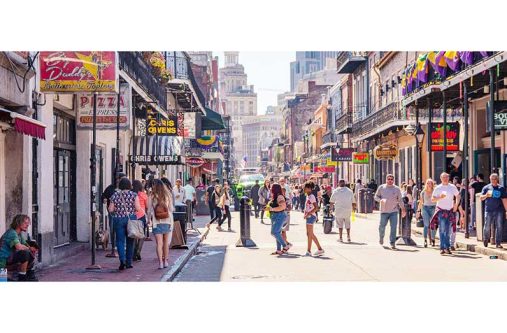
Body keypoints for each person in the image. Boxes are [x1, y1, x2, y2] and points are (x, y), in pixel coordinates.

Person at [108, 178, 141, 270]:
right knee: (130, 241)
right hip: (131, 219)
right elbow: (138, 208)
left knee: (120, 241)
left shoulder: (115, 195)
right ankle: (129, 262)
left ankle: (122, 260)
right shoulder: (134, 195)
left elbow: (110, 209)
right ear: (129, 185)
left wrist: (117, 210)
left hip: (119, 219)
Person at [0, 215, 38, 281]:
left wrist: (32, 248)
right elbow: (19, 247)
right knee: (25, 254)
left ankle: (29, 276)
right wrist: (29, 249)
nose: (27, 225)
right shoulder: (12, 233)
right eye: (25, 223)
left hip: (10, 258)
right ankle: (22, 278)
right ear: (18, 223)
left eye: (28, 223)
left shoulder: (19, 234)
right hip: (3, 261)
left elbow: (25, 244)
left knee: (29, 254)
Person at [431, 172, 460, 255]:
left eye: (447, 177)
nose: (445, 179)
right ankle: (442, 247)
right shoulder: (438, 188)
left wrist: (456, 205)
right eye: (444, 177)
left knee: (448, 231)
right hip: (441, 211)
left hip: (450, 211)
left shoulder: (452, 187)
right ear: (441, 178)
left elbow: (458, 196)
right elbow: (433, 199)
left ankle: (447, 247)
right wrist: (440, 197)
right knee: (442, 229)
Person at [374, 174, 406, 250]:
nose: (390, 180)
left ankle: (392, 243)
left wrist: (403, 209)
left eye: (391, 179)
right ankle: (381, 237)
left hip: (394, 211)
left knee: (393, 228)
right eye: (388, 179)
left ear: (393, 180)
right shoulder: (381, 187)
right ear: (386, 180)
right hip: (384, 211)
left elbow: (400, 200)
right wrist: (380, 200)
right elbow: (376, 197)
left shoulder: (397, 189)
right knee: (382, 226)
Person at [148, 179, 174, 269]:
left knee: (159, 243)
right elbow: (171, 209)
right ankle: (166, 261)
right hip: (167, 221)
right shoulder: (167, 195)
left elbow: (149, 210)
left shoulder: (152, 195)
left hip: (156, 222)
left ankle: (160, 263)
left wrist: (148, 219)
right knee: (166, 243)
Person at [101, 172, 126, 256]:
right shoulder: (111, 188)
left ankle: (121, 244)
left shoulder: (126, 189)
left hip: (123, 213)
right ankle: (114, 245)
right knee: (112, 228)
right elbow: (104, 196)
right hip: (112, 212)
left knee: (122, 229)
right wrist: (104, 199)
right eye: (121, 179)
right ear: (117, 179)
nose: (122, 181)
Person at [479, 173, 507, 248]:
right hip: (489, 210)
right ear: (490, 179)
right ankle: (485, 239)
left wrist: (506, 210)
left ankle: (498, 243)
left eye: (495, 179)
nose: (493, 180)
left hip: (499, 210)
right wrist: (486, 195)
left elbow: (504, 199)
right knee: (487, 225)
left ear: (497, 179)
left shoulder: (501, 188)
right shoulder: (486, 188)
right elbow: (481, 198)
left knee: (499, 226)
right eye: (492, 179)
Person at [266, 183, 290, 255]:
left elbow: (283, 207)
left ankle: (285, 245)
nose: (270, 189)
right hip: (276, 216)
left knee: (274, 232)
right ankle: (278, 250)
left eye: (272, 188)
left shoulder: (279, 197)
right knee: (277, 233)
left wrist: (271, 208)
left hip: (279, 216)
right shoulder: (276, 196)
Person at [303, 181, 325, 256]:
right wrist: (305, 213)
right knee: (309, 234)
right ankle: (311, 250)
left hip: (311, 216)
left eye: (305, 187)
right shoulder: (308, 196)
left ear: (309, 188)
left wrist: (308, 213)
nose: (304, 189)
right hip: (309, 216)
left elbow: (316, 208)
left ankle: (317, 249)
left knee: (310, 234)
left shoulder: (311, 196)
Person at [416, 179, 437, 247]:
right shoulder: (423, 192)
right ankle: (425, 239)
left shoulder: (435, 191)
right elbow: (421, 202)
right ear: (426, 184)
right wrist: (418, 211)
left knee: (433, 224)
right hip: (425, 208)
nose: (429, 184)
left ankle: (433, 239)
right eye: (428, 183)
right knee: (426, 224)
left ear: (432, 184)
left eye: (430, 183)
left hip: (433, 208)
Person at [132, 179, 148, 261]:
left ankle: (134, 252)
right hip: (141, 215)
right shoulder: (143, 195)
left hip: (133, 216)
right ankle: (138, 251)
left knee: (134, 235)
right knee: (141, 235)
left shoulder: (131, 195)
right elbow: (147, 205)